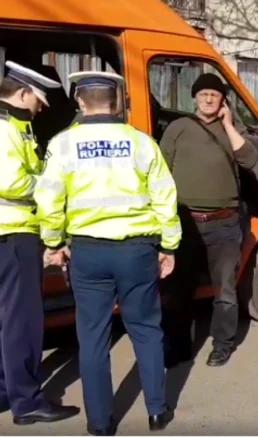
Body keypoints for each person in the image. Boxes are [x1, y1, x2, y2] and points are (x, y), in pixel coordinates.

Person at [34, 70, 181, 435]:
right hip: (136, 250)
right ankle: (157, 411)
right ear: (116, 101)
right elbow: (166, 196)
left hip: (88, 252)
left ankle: (99, 422)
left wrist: (52, 242)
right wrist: (169, 246)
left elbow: (48, 197)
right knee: (146, 329)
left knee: (93, 337)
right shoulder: (142, 142)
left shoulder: (63, 144)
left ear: (80, 102)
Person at [158, 72, 258, 368]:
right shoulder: (178, 128)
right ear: (195, 98)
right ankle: (177, 348)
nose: (208, 99)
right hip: (184, 223)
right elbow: (160, 170)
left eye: (214, 95)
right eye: (203, 94)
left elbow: (250, 159)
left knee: (225, 289)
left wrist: (228, 124)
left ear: (222, 100)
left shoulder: (231, 130)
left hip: (223, 224)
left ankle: (222, 345)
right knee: (177, 289)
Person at [0, 61, 81, 425]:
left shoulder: (16, 126)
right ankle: (27, 400)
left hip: (10, 233)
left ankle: (7, 389)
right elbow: (11, 182)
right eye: (39, 99)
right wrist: (49, 186)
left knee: (6, 321)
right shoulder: (4, 129)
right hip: (14, 235)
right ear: (22, 92)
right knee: (22, 323)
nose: (42, 107)